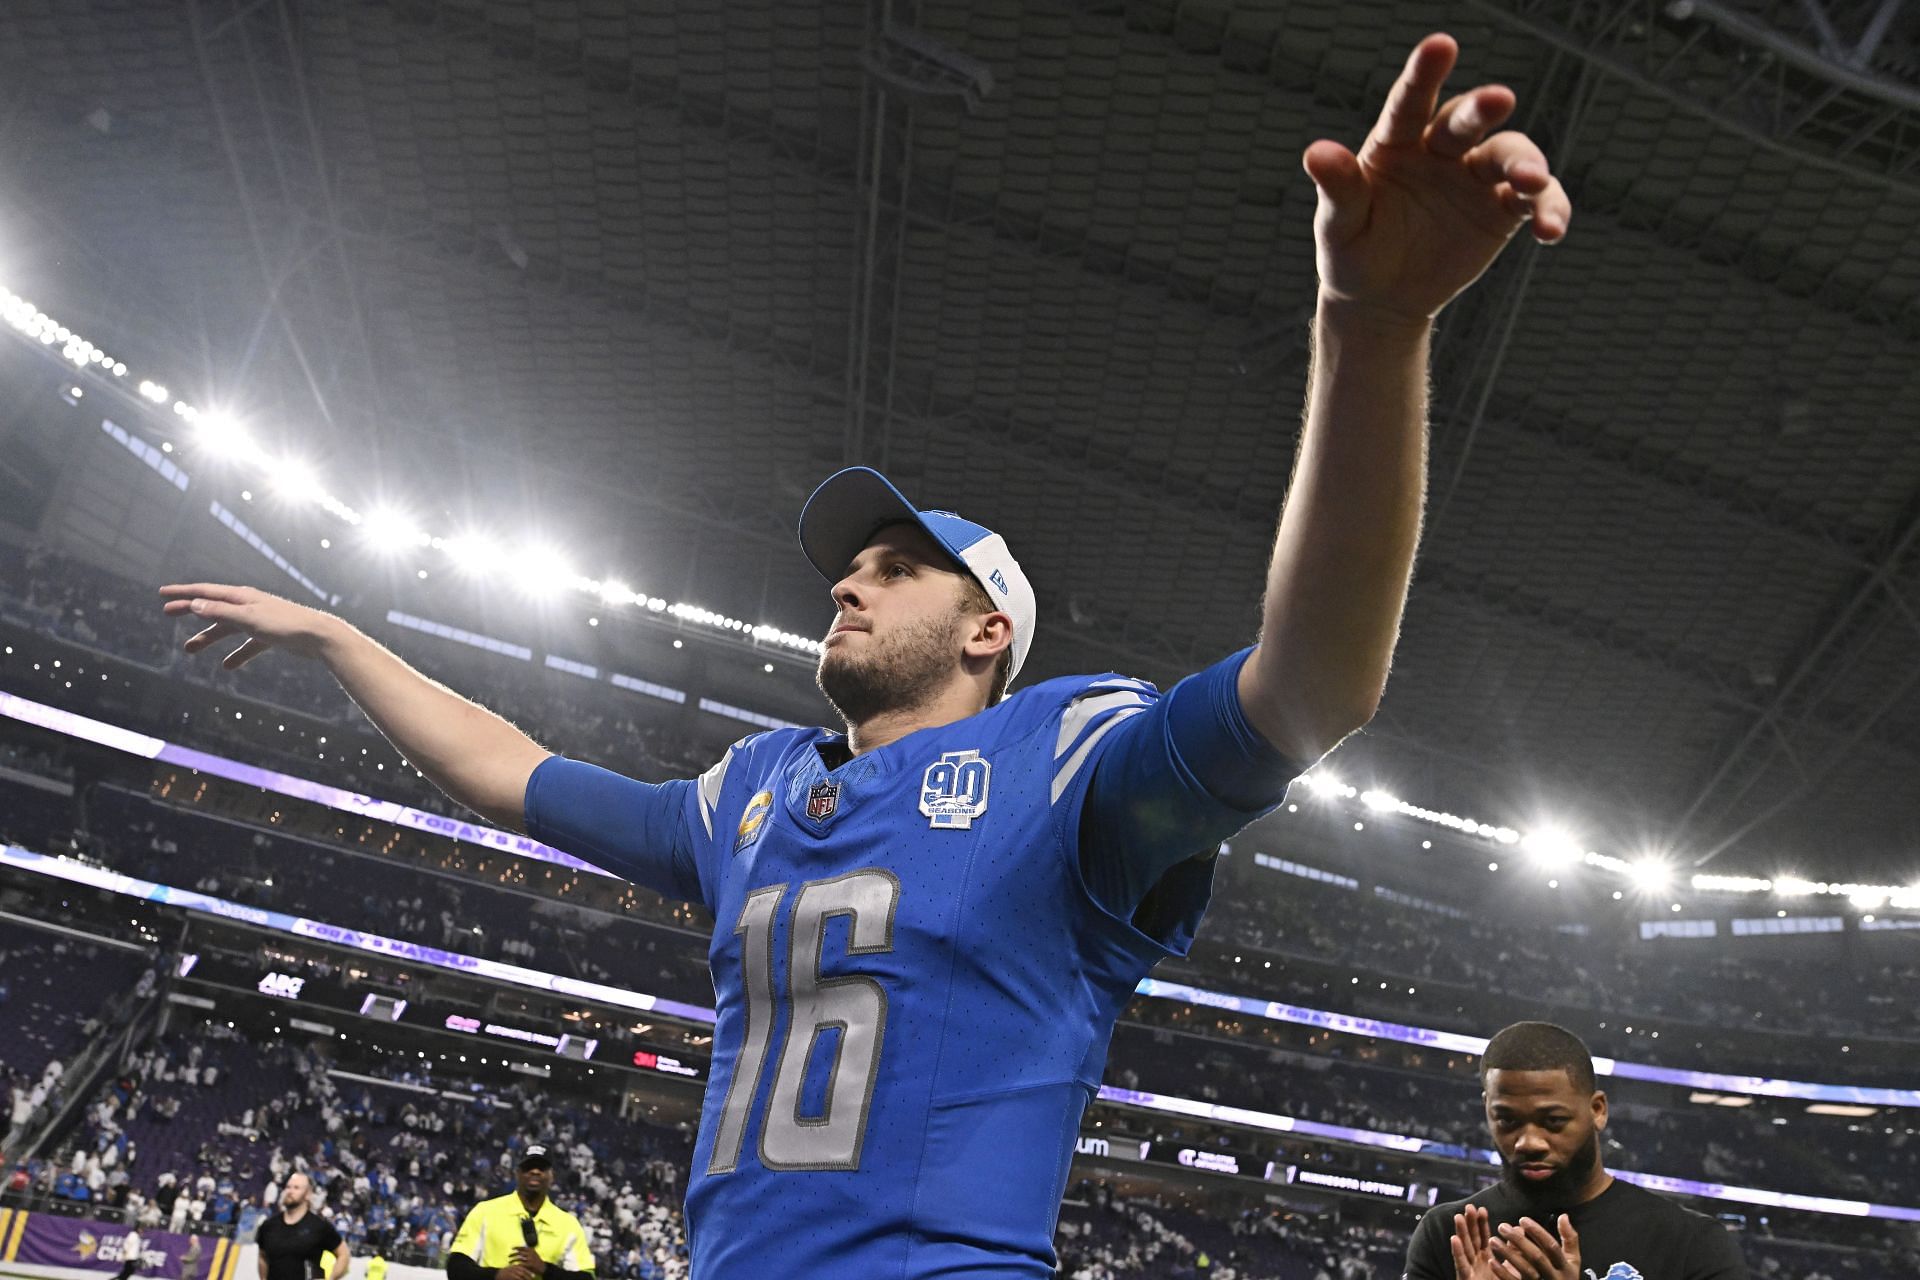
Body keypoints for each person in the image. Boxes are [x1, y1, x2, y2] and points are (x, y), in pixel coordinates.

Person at [160, 31, 1569, 1280]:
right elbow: (513, 770)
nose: (849, 581)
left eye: (900, 569)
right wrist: (341, 635)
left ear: (988, 629)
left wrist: (1372, 330)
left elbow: (1314, 685)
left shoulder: (1064, 763)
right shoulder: (752, 797)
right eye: (851, 565)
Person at [1402, 1022, 1749, 1280]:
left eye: (1553, 1121)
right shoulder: (1447, 1234)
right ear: (1487, 1110)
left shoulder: (1690, 1242)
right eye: (1506, 1120)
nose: (1528, 1142)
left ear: (1597, 1110)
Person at [446, 1144, 594, 1280]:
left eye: (541, 1168)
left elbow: (587, 1277)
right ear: (517, 1173)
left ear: (552, 1176)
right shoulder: (485, 1212)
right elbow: (456, 1268)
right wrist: (496, 1275)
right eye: (528, 1167)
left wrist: (546, 1270)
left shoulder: (568, 1225)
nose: (535, 1171)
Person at [254, 1173, 348, 1280]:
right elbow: (262, 1256)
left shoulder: (319, 1227)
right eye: (288, 1187)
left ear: (308, 1194)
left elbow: (343, 1254)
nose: (290, 1191)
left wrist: (331, 1278)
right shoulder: (269, 1226)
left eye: (296, 1188)